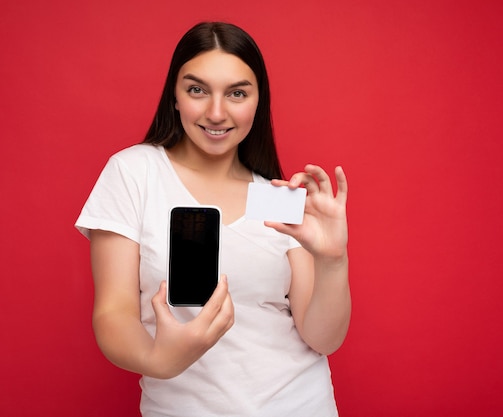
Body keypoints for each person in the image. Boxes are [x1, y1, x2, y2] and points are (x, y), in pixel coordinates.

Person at [75, 22, 350, 417]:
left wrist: (333, 260)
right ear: (175, 96)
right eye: (197, 90)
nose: (216, 113)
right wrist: (159, 360)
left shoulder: (277, 197)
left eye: (237, 93)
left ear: (258, 102)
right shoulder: (135, 172)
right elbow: (113, 313)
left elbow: (323, 338)